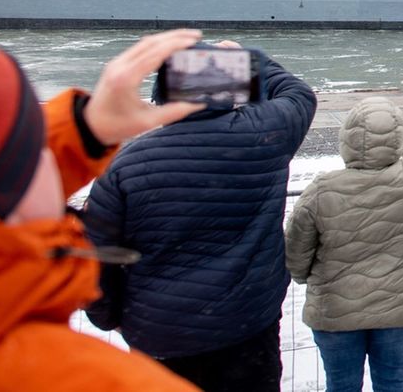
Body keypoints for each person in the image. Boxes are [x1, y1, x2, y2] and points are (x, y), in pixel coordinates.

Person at [0, 30, 205, 391]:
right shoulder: (96, 379)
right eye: (37, 146)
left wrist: (85, 129)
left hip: (153, 326)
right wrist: (258, 66)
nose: (49, 157)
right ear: (13, 186)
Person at [83, 43, 319, 391]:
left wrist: (109, 318)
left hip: (161, 335)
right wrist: (247, 58)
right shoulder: (265, 135)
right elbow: (299, 94)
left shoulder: (126, 166)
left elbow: (96, 256)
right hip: (248, 327)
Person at [285, 98, 403, 392]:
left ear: (346, 138)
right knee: (393, 382)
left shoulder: (322, 190)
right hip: (400, 307)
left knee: (342, 386)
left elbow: (296, 258)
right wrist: (397, 132)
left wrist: (304, 276)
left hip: (335, 311)